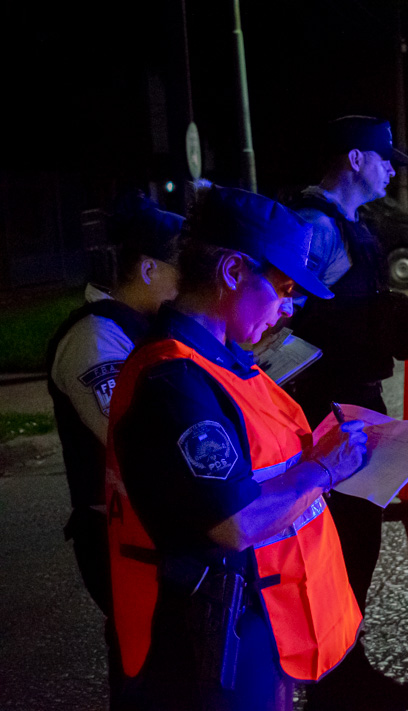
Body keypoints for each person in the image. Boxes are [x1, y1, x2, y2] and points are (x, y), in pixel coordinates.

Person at [105, 185, 366, 710]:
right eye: (285, 287)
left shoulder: (220, 358)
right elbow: (237, 523)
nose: (289, 308)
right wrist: (323, 470)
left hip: (253, 622)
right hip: (206, 642)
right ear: (232, 272)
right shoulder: (175, 378)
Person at [286, 115, 408, 711]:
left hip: (355, 403)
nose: (393, 168)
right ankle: (333, 681)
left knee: (357, 542)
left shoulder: (349, 225)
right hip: (326, 411)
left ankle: (346, 669)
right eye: (385, 157)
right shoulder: (315, 229)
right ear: (355, 159)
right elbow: (272, 324)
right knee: (342, 543)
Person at [46, 195, 183, 704]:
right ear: (147, 268)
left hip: (144, 530)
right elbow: (124, 432)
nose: (189, 280)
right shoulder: (96, 336)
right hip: (116, 536)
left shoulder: (135, 329)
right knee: (144, 666)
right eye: (181, 267)